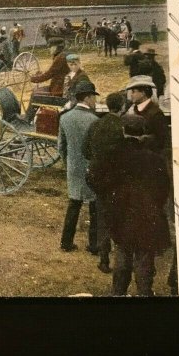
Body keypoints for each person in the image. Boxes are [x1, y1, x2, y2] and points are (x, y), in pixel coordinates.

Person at [87, 114, 171, 296]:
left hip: (120, 214)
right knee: (144, 256)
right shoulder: (154, 159)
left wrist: (108, 196)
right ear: (143, 134)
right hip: (148, 215)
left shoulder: (113, 156)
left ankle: (118, 293)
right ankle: (144, 292)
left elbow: (93, 178)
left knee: (122, 253)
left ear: (123, 132)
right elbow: (164, 188)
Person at [83, 92, 126, 273]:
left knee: (102, 216)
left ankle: (104, 259)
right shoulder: (122, 127)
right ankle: (122, 260)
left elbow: (85, 150)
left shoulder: (96, 124)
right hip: (115, 179)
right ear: (122, 106)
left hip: (96, 177)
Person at [58, 80, 100, 253]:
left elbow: (61, 147)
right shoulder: (94, 120)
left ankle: (66, 242)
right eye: (94, 98)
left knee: (74, 204)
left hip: (73, 167)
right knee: (94, 208)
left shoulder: (65, 118)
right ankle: (93, 245)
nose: (95, 102)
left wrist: (67, 163)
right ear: (88, 97)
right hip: (91, 169)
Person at [122, 76, 168, 155]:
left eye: (133, 91)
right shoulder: (132, 109)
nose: (131, 95)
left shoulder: (156, 113)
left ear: (143, 93)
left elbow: (161, 140)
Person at [27, 37, 69, 123]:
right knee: (37, 91)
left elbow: (49, 74)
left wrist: (33, 79)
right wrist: (40, 74)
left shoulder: (60, 58)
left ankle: (27, 118)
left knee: (35, 94)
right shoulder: (62, 55)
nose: (49, 49)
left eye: (50, 47)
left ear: (56, 47)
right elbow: (53, 72)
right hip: (60, 87)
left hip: (58, 91)